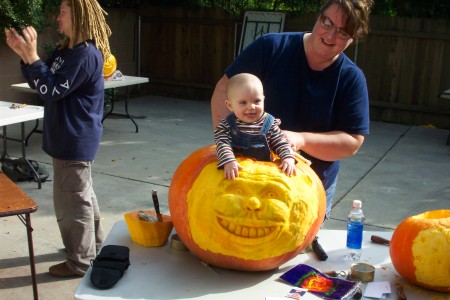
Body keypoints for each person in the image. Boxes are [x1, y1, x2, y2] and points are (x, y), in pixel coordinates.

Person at [211, 0, 373, 220]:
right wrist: (231, 141)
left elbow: (352, 142)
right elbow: (223, 90)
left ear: (353, 38)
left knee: (300, 248)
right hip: (244, 174)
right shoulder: (270, 48)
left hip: (308, 187)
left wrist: (301, 140)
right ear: (318, 16)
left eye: (343, 32)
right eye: (327, 22)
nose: (331, 35)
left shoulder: (351, 78)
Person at [5, 0, 112, 277]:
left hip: (74, 139)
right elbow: (42, 84)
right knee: (82, 196)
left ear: (77, 15)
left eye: (63, 12)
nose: (57, 17)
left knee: (72, 203)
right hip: (67, 137)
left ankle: (80, 261)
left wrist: (32, 56)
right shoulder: (66, 50)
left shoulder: (86, 55)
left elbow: (52, 91)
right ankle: (94, 246)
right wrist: (25, 54)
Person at [214, 73, 297, 180]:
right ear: (230, 105)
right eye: (243, 102)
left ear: (263, 100)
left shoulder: (269, 124)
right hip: (237, 170)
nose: (252, 107)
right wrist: (229, 161)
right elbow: (222, 143)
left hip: (264, 173)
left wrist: (287, 157)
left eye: (257, 101)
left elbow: (280, 142)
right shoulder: (226, 125)